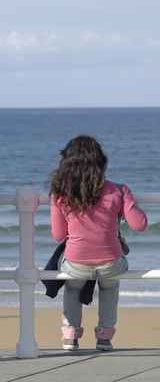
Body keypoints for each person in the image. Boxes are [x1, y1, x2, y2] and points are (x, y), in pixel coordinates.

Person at [50, 135, 147, 351]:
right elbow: (139, 225)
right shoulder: (119, 190)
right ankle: (104, 337)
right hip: (111, 261)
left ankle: (70, 336)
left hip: (76, 262)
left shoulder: (60, 193)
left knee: (73, 288)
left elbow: (58, 235)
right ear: (101, 162)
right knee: (109, 287)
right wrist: (128, 201)